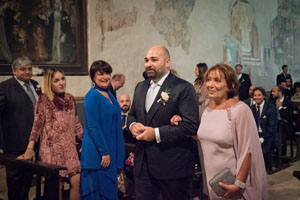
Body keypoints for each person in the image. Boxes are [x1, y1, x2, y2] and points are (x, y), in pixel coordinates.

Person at [127, 45, 199, 200]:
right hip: (143, 166)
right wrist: (133, 126)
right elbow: (132, 115)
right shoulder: (140, 87)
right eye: (146, 60)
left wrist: (156, 134)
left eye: (154, 59)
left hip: (173, 167)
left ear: (167, 62)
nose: (148, 64)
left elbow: (190, 126)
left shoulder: (183, 88)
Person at [196, 64, 267, 199]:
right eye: (208, 80)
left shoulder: (240, 110)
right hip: (211, 178)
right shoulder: (205, 107)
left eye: (217, 80)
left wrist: (238, 184)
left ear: (231, 85)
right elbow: (203, 136)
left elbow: (248, 151)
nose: (210, 85)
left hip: (232, 181)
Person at [18, 68, 82, 200]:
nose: (61, 83)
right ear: (49, 83)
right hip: (52, 151)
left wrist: (86, 142)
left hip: (70, 150)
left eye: (62, 79)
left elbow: (76, 123)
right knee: (57, 186)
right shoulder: (44, 99)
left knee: (77, 181)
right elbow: (37, 125)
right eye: (56, 80)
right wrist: (30, 148)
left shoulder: (70, 98)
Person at [80, 60, 124, 200]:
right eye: (100, 74)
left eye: (107, 73)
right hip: (98, 155)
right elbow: (93, 126)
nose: (105, 77)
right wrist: (104, 152)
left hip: (109, 151)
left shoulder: (109, 94)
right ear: (93, 76)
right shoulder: (92, 96)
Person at [0, 56, 41, 200]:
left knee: (27, 181)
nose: (27, 72)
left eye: (29, 69)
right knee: (15, 182)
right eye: (23, 69)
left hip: (33, 142)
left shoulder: (35, 84)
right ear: (14, 71)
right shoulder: (4, 88)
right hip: (14, 144)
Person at [250, 87, 277, 173]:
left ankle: (263, 170)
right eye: (255, 95)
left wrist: (262, 138)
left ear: (264, 96)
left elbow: (272, 127)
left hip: (268, 136)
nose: (256, 97)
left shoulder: (271, 108)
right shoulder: (251, 108)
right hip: (255, 135)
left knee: (263, 151)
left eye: (259, 95)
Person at [271, 85, 294, 156]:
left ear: (280, 92)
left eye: (274, 91)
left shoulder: (289, 103)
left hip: (285, 126)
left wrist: (280, 108)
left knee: (281, 130)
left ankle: (281, 156)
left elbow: (289, 117)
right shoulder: (271, 103)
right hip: (274, 125)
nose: (272, 93)